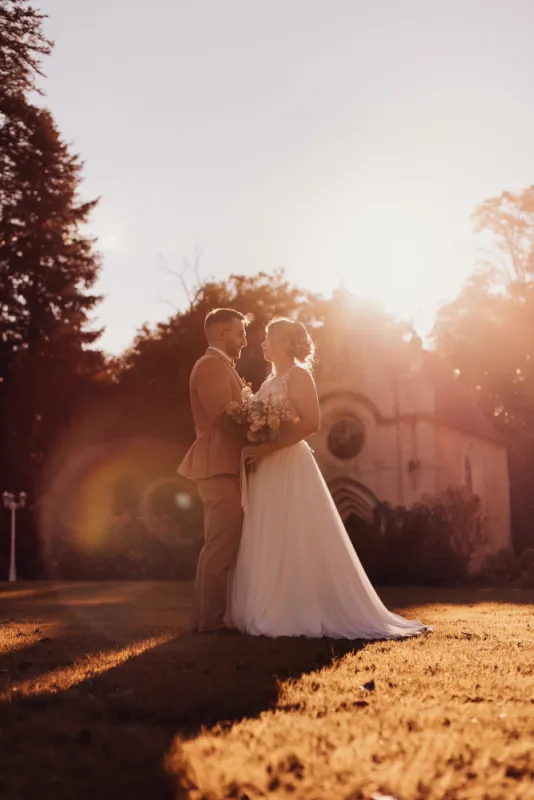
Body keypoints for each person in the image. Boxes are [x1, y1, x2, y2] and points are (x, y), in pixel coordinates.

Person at [228, 317, 432, 639]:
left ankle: (292, 610)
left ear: (285, 342)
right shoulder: (268, 382)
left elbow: (311, 422)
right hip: (266, 466)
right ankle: (266, 604)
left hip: (287, 462)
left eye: (269, 337)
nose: (263, 342)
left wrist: (269, 446)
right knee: (268, 529)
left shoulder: (299, 375)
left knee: (292, 531)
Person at [178, 307, 248, 632]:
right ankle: (209, 620)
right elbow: (225, 416)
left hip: (225, 463)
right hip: (217, 463)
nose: (244, 341)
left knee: (222, 542)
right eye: (240, 333)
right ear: (222, 333)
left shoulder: (223, 366)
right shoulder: (210, 366)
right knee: (220, 543)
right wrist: (266, 430)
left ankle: (206, 618)